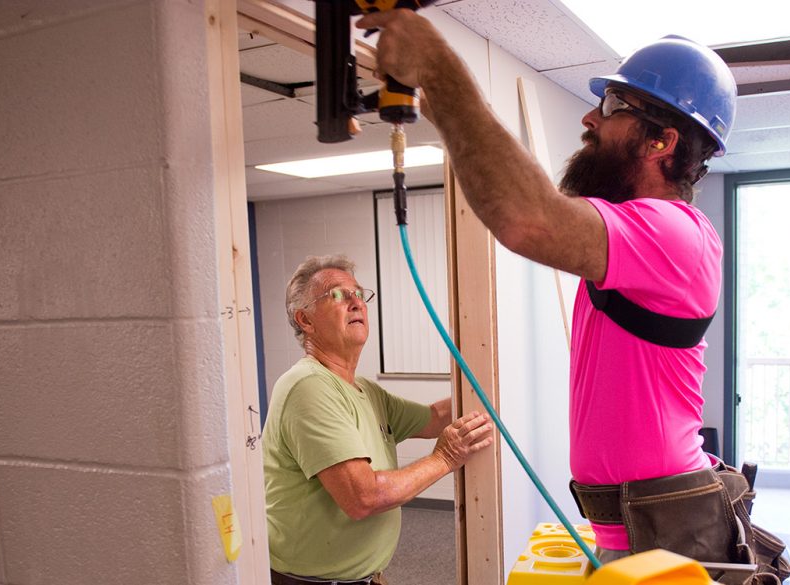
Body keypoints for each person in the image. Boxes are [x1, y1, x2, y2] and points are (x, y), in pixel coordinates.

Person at [355, 10, 740, 567]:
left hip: (666, 532)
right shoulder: (640, 236)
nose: (590, 118)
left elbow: (526, 218)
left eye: (612, 107)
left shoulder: (674, 233)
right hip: (637, 526)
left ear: (662, 140)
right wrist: (431, 94)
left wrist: (439, 67)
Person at [263, 255, 494, 585]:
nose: (356, 302)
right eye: (339, 295)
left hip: (362, 577)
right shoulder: (308, 387)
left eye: (359, 293)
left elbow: (435, 418)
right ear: (306, 320)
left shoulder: (366, 391)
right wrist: (445, 458)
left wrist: (492, 390)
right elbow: (363, 497)